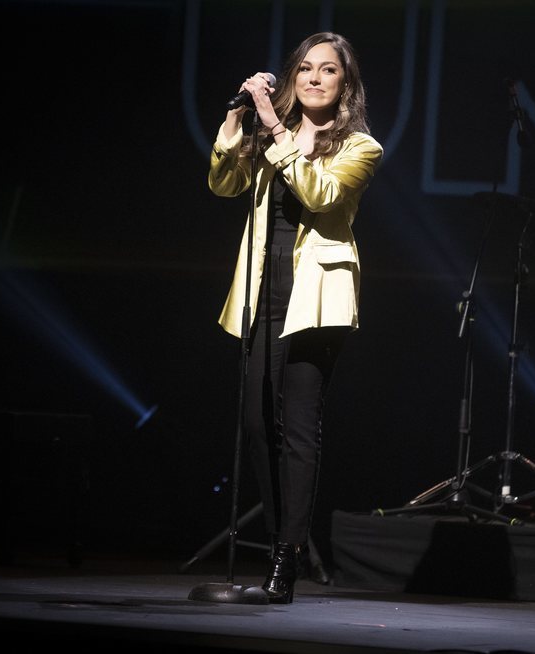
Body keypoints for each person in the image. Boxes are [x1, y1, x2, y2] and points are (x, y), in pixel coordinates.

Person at [208, 32, 383, 604]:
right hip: (264, 289)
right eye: (304, 68)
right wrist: (238, 124)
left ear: (344, 84)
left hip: (316, 298)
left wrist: (277, 131)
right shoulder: (264, 133)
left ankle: (286, 559)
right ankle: (285, 543)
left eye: (327, 70)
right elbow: (223, 183)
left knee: (299, 427)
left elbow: (319, 195)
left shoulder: (361, 147)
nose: (312, 78)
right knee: (259, 426)